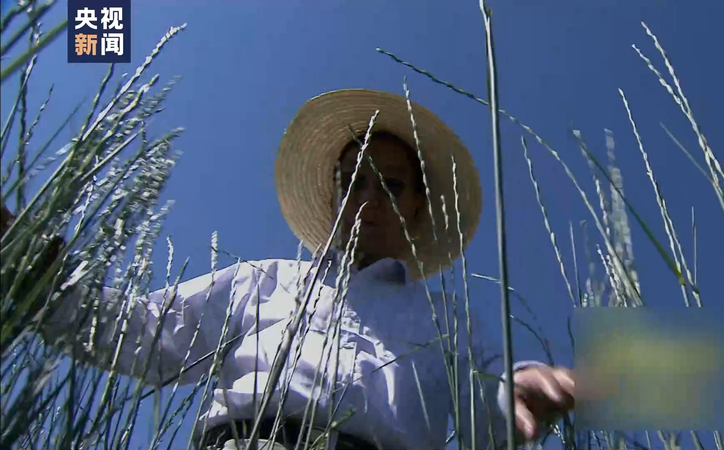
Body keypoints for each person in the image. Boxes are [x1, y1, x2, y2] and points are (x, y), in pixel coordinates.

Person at [1, 89, 574, 450]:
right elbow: (148, 336)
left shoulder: (449, 321)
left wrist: (519, 390)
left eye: (391, 185)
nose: (368, 200)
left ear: (419, 206)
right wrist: (41, 278)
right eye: (353, 182)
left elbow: (487, 406)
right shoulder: (264, 280)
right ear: (334, 196)